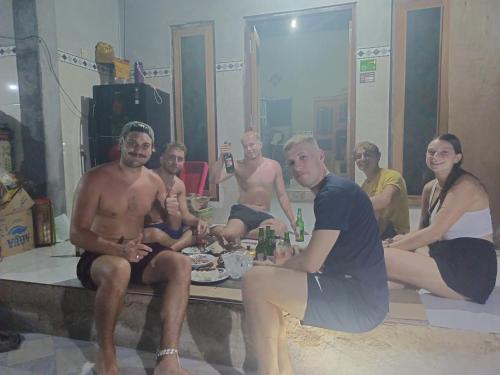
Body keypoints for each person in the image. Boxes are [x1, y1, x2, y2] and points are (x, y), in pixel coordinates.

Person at [242, 135, 388, 375]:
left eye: (303, 157)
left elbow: (311, 263)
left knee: (254, 280)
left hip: (360, 302)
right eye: (291, 162)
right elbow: (326, 251)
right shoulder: (336, 189)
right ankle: (281, 371)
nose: (297, 166)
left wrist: (278, 262)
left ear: (321, 157)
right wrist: (289, 258)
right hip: (358, 292)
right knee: (266, 287)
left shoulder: (334, 194)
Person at [70, 121, 191, 375]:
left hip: (137, 252)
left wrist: (174, 215)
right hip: (100, 254)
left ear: (152, 149)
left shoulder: (154, 181)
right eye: (133, 143)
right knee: (119, 268)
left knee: (181, 264)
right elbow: (77, 234)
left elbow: (169, 224)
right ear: (121, 143)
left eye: (145, 146)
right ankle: (106, 354)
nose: (138, 150)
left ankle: (167, 359)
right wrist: (118, 249)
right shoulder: (95, 178)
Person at [383, 133, 497, 304]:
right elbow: (423, 231)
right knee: (388, 277)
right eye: (431, 152)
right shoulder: (430, 188)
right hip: (445, 256)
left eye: (444, 153)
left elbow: (435, 233)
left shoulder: (465, 186)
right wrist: (394, 240)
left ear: (457, 158)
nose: (435, 157)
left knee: (379, 255)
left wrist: (390, 247)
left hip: (470, 271)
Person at [209, 130, 295, 242]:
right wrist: (221, 157)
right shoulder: (237, 166)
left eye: (252, 144)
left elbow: (282, 195)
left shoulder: (274, 166)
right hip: (243, 212)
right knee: (229, 235)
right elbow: (214, 179)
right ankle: (216, 229)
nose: (249, 149)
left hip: (263, 214)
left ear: (260, 144)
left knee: (281, 229)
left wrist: (293, 221)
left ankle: (242, 233)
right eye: (245, 147)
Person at [143, 142, 209, 251]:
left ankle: (173, 247)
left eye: (180, 159)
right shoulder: (147, 178)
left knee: (194, 228)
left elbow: (185, 215)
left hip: (172, 230)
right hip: (151, 230)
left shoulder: (179, 185)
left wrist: (200, 221)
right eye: (171, 157)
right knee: (155, 233)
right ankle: (179, 245)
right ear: (162, 158)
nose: (175, 162)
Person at [354, 141, 410, 239]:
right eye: (358, 156)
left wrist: (349, 206)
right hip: (378, 232)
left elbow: (383, 201)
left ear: (378, 156)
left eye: (367, 155)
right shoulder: (364, 186)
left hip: (396, 234)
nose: (362, 159)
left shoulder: (391, 175)